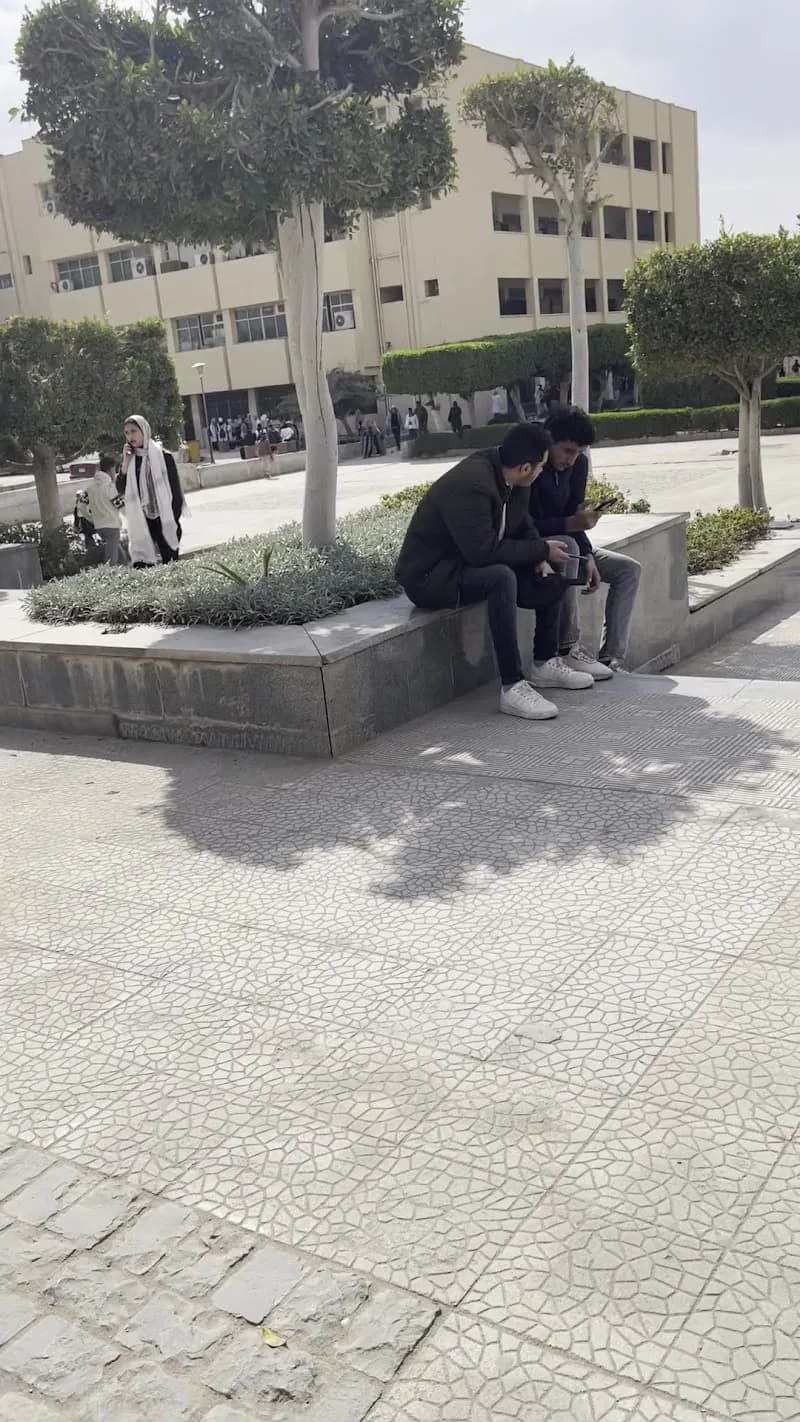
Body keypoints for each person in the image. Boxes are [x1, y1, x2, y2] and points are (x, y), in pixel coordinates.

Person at [395, 423, 594, 721]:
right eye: (540, 467)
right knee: (501, 576)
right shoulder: (471, 483)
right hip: (431, 577)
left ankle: (544, 662)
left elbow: (523, 523)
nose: (542, 472)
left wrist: (540, 553)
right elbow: (482, 552)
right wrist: (538, 551)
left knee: (552, 562)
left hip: (464, 563)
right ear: (526, 467)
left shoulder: (512, 476)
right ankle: (512, 687)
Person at [530, 407, 642, 677]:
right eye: (568, 451)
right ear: (549, 440)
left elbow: (573, 514)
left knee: (628, 570)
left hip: (571, 543)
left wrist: (589, 554)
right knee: (568, 544)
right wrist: (571, 528)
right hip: (536, 545)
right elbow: (524, 524)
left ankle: (611, 658)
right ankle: (568, 647)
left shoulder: (577, 465)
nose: (572, 460)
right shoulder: (531, 463)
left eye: (579, 452)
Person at [117, 415, 184, 566]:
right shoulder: (129, 459)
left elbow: (175, 492)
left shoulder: (163, 456)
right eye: (127, 433)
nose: (130, 436)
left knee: (171, 566)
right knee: (142, 565)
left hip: (164, 518)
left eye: (133, 431)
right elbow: (120, 488)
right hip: (141, 519)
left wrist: (172, 519)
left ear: (144, 431)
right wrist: (125, 464)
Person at [87, 456, 129, 564]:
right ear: (111, 469)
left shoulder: (90, 488)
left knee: (119, 554)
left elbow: (81, 505)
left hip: (99, 526)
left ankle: (127, 570)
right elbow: (120, 506)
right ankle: (110, 575)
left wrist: (91, 518)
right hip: (112, 525)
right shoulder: (110, 487)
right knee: (111, 560)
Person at [73, 487, 96, 555]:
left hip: (87, 520)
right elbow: (76, 516)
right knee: (87, 534)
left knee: (89, 533)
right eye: (78, 496)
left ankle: (92, 548)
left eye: (79, 496)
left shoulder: (86, 503)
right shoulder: (77, 506)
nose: (79, 497)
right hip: (83, 521)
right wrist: (76, 525)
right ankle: (91, 548)